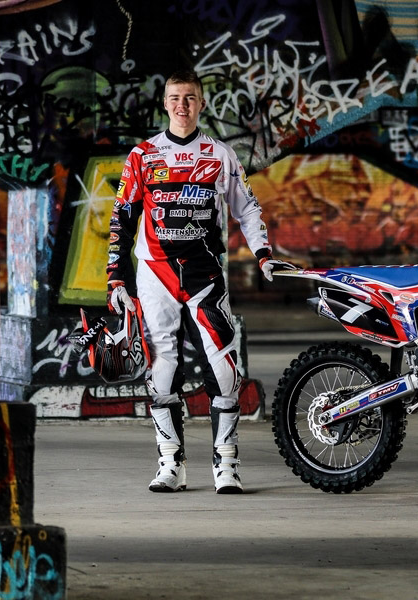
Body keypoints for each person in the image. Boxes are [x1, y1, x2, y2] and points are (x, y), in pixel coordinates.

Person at [106, 69, 293, 494]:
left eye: (189, 98)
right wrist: (115, 278)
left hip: (204, 273)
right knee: (161, 369)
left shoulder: (220, 154)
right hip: (154, 274)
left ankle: (226, 464)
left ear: (202, 103)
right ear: (165, 103)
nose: (182, 105)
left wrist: (263, 253)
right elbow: (122, 217)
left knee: (224, 371)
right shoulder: (142, 156)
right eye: (175, 98)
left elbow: (248, 208)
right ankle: (170, 464)